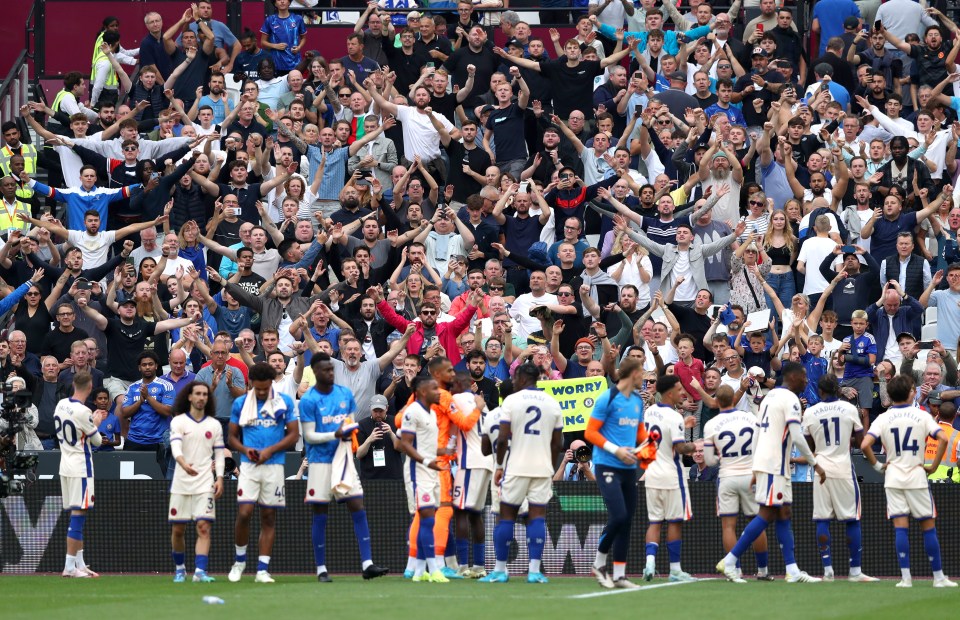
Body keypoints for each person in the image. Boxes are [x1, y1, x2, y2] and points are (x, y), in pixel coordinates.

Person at [717, 361, 825, 583]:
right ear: (793, 377)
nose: (806, 380)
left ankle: (792, 569)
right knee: (767, 513)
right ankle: (729, 561)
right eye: (804, 376)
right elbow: (796, 435)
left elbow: (758, 431)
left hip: (770, 463)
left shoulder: (770, 397)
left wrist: (756, 465)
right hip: (775, 464)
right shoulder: (790, 399)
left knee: (784, 512)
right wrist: (815, 463)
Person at [299, 353, 390, 582]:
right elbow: (309, 435)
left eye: (331, 369)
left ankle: (367, 564)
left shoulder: (344, 394)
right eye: (325, 370)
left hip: (343, 456)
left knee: (357, 504)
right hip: (319, 459)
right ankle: (321, 569)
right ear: (315, 372)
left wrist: (347, 434)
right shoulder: (309, 399)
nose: (330, 373)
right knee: (320, 511)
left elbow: (349, 423)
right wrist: (336, 433)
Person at [861, 373, 957, 588]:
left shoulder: (883, 417)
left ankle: (905, 578)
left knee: (900, 527)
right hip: (916, 474)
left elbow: (865, 443)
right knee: (928, 526)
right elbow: (942, 438)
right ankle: (939, 577)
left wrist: (877, 465)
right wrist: (932, 466)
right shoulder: (921, 415)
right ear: (911, 392)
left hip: (893, 476)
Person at [480, 362, 562, 584]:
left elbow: (504, 438)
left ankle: (500, 570)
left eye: (515, 378)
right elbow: (558, 443)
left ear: (523, 378)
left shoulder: (511, 401)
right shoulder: (553, 403)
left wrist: (499, 467)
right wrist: (551, 466)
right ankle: (534, 571)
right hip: (542, 467)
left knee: (505, 516)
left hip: (515, 466)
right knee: (537, 516)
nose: (513, 382)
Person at [227, 362, 300, 584]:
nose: (260, 392)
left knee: (268, 516)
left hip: (274, 465)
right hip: (249, 466)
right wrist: (244, 449)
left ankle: (262, 569)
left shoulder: (284, 402)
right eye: (256, 388)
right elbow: (231, 437)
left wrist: (270, 450)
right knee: (244, 513)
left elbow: (293, 435)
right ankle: (239, 562)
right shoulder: (240, 403)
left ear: (271, 384)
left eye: (264, 388)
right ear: (250, 384)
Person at [802, 374, 878, 582]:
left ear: (819, 391)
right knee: (852, 518)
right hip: (843, 467)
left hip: (821, 469)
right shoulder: (849, 409)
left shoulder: (810, 412)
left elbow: (809, 446)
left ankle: (828, 570)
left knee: (822, 518)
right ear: (837, 389)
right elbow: (862, 441)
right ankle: (854, 571)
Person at [585, 357, 648, 589]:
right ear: (633, 374)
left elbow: (640, 433)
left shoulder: (638, 401)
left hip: (629, 468)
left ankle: (620, 575)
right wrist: (616, 450)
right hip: (607, 465)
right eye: (642, 372)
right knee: (619, 516)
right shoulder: (608, 397)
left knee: (627, 521)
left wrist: (653, 443)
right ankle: (599, 563)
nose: (644, 377)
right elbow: (590, 432)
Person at [703, 385, 772, 581]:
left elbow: (708, 461)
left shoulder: (712, 424)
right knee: (756, 523)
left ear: (717, 402)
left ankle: (735, 570)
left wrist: (721, 459)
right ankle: (763, 570)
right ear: (733, 399)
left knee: (728, 526)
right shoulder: (750, 417)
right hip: (751, 475)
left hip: (727, 476)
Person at [641, 375, 698, 582]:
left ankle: (649, 563)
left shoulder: (649, 412)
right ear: (669, 393)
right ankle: (675, 570)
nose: (682, 392)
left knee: (655, 521)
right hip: (672, 476)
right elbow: (680, 447)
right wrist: (697, 445)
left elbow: (657, 438)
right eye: (679, 388)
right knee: (675, 521)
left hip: (652, 473)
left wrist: (683, 424)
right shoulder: (674, 417)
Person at [168, 381, 225, 583]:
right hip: (181, 483)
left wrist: (219, 478)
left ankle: (200, 572)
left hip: (204, 483)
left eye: (205, 394)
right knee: (178, 529)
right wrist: (183, 463)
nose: (201, 397)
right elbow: (175, 447)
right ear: (190, 397)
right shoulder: (179, 422)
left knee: (203, 527)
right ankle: (180, 569)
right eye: (198, 394)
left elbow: (219, 455)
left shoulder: (214, 425)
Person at [398, 374, 447, 583]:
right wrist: (427, 462)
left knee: (430, 518)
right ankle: (434, 569)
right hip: (418, 472)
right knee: (426, 518)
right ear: (423, 392)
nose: (439, 392)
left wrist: (444, 450)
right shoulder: (412, 412)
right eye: (434, 389)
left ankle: (419, 572)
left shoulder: (432, 414)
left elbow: (425, 445)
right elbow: (405, 444)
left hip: (431, 470)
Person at [355, 394, 403, 480]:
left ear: (387, 408)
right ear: (370, 408)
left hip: (393, 475)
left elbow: (401, 449)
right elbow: (358, 455)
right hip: (370, 476)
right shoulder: (362, 425)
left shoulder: (396, 421)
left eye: (381, 411)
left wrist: (391, 433)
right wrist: (369, 440)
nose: (378, 414)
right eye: (375, 411)